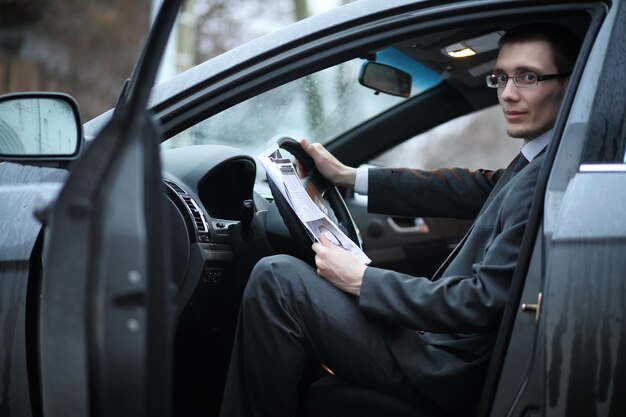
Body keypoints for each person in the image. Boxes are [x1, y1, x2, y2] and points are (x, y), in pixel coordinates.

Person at [219, 22, 580, 417]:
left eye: (528, 77)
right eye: (501, 77)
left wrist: (361, 279)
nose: (508, 94)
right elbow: (471, 188)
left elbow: (478, 301)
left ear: (570, 82)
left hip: (445, 370)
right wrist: (349, 175)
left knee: (277, 279)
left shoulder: (548, 176)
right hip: (442, 350)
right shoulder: (539, 160)